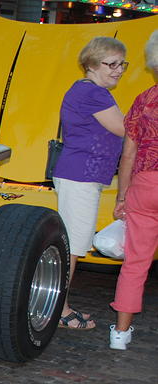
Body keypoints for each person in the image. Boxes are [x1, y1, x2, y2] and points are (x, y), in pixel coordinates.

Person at [52, 36, 127, 330]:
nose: (119, 69)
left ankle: (59, 306)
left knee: (72, 244)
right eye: (112, 64)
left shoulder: (89, 91)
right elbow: (123, 128)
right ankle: (59, 310)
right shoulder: (94, 94)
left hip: (82, 174)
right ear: (92, 64)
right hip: (80, 175)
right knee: (73, 245)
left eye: (122, 64)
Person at [109, 32, 158, 350]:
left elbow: (127, 154)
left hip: (145, 186)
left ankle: (119, 335)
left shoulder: (145, 100)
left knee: (136, 262)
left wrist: (121, 197)